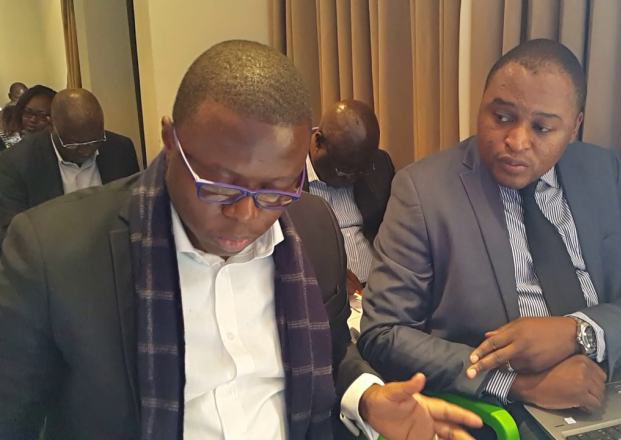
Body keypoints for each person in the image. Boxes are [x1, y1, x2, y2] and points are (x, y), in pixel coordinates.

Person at [0, 40, 482, 440]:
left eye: (275, 191)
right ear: (170, 140)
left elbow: (333, 351)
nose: (246, 216)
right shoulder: (53, 253)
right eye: (219, 186)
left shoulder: (312, 226)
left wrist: (368, 396)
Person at [358, 39, 621, 439]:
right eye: (502, 117)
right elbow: (384, 333)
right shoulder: (423, 191)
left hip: (616, 383)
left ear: (574, 126)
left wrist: (576, 332)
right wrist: (516, 383)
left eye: (542, 128)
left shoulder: (602, 172)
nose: (517, 141)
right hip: (510, 412)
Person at [0, 87, 140, 246]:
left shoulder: (120, 149)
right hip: (51, 255)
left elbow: (133, 213)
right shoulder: (15, 163)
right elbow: (12, 236)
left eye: (94, 142)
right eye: (72, 144)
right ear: (51, 126)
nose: (85, 150)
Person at [306, 99, 395, 334]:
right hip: (322, 304)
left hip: (377, 296)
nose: (351, 178)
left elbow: (396, 234)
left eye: (360, 171)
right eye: (343, 170)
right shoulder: (287, 172)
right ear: (318, 143)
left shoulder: (378, 165)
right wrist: (328, 278)